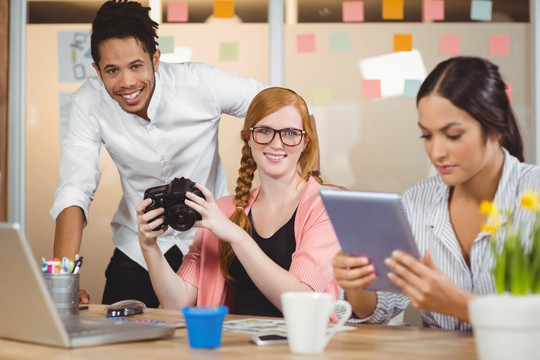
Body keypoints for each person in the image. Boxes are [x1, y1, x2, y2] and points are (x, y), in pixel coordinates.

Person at [49, 0, 270, 307]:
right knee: (116, 346)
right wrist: (63, 280)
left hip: (208, 242)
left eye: (136, 66)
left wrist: (307, 187)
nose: (127, 83)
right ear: (97, 71)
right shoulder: (88, 104)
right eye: (112, 70)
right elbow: (75, 189)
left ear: (155, 59)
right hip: (138, 248)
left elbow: (288, 108)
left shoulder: (201, 84)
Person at [332, 56, 540, 330]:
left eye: (452, 135)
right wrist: (357, 282)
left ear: (495, 129)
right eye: (427, 136)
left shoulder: (533, 194)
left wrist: (456, 304)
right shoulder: (416, 202)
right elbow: (379, 308)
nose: (436, 152)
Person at [137, 87, 340, 316]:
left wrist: (235, 235)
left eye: (291, 133)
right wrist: (149, 247)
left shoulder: (328, 205)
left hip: (303, 348)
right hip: (236, 346)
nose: (276, 143)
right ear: (248, 138)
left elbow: (303, 304)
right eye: (264, 131)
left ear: (305, 142)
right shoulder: (222, 211)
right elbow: (178, 303)